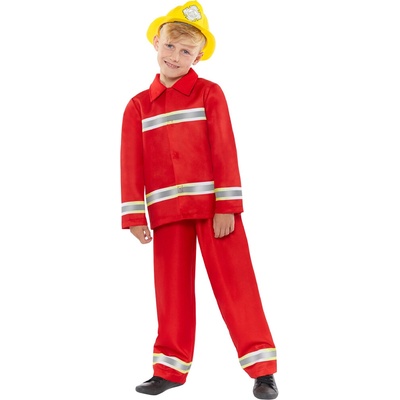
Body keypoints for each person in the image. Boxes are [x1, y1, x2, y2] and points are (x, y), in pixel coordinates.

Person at [120, 1, 278, 398]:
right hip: (166, 213)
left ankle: (262, 370)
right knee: (170, 291)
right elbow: (130, 165)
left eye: (186, 51)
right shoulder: (137, 106)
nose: (175, 56)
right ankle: (169, 370)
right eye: (170, 46)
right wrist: (135, 216)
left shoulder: (210, 93)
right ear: (156, 43)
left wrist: (227, 206)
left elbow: (225, 149)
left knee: (237, 286)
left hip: (214, 211)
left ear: (199, 56)